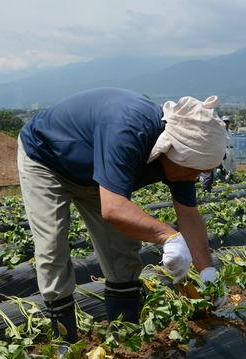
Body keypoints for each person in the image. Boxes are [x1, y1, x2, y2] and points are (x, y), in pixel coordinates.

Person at [18, 88, 227, 343]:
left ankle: (124, 335)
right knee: (52, 247)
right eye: (193, 171)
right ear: (171, 150)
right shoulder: (128, 128)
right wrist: (168, 237)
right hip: (47, 159)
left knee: (122, 249)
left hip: (97, 172)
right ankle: (65, 341)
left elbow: (189, 216)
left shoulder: (183, 159)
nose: (194, 178)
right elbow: (113, 208)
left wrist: (207, 272)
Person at [219, 116, 237, 182]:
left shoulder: (229, 131)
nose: (226, 123)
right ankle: (225, 181)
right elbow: (219, 142)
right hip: (225, 150)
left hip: (231, 149)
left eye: (227, 121)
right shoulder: (220, 131)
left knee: (233, 165)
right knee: (226, 166)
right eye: (225, 121)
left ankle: (230, 177)